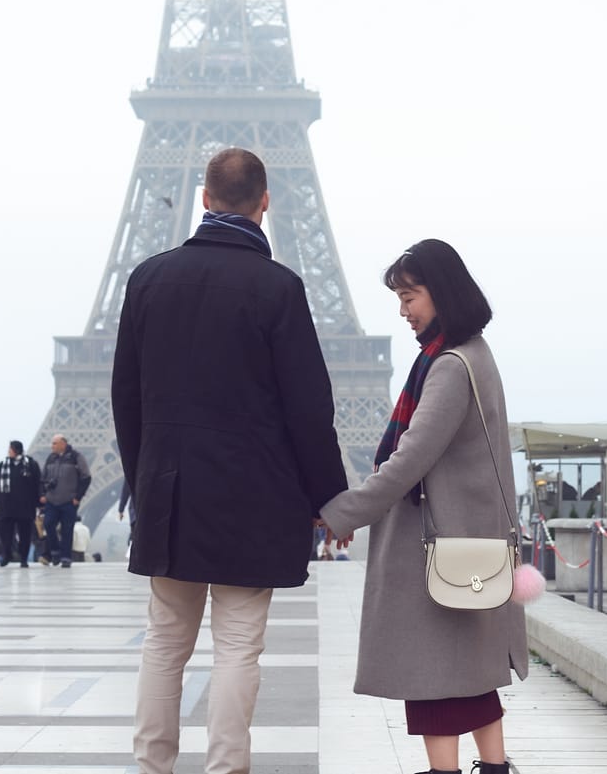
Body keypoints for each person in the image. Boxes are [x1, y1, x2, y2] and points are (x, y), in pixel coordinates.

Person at [111, 146, 347, 774]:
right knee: (239, 648)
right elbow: (308, 409)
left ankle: (151, 766)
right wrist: (329, 498)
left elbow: (125, 400)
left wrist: (146, 482)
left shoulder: (149, 279)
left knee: (164, 644)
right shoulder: (279, 289)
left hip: (172, 494)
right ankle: (225, 769)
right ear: (265, 204)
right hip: (253, 499)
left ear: (205, 199)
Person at [321, 239, 527, 774]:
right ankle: (496, 767)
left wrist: (343, 511)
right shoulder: (468, 355)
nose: (403, 310)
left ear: (443, 292)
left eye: (410, 296)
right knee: (468, 671)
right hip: (465, 540)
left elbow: (409, 458)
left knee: (432, 672)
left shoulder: (449, 366)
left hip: (440, 545)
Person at [0, 440, 44, 567]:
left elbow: (38, 483)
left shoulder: (31, 465)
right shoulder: (3, 465)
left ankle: (23, 558)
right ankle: (7, 555)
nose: (8, 451)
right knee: (5, 534)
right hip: (6, 506)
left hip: (25, 506)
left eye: (10, 449)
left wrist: (40, 499)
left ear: (16, 450)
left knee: (25, 535)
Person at [41, 434, 91, 568]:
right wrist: (43, 494)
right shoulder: (51, 458)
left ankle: (65, 557)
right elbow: (43, 477)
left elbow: (86, 477)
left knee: (67, 530)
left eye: (54, 443)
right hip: (52, 500)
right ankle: (55, 551)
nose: (52, 446)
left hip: (69, 500)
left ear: (63, 443)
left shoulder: (76, 457)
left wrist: (78, 497)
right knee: (48, 524)